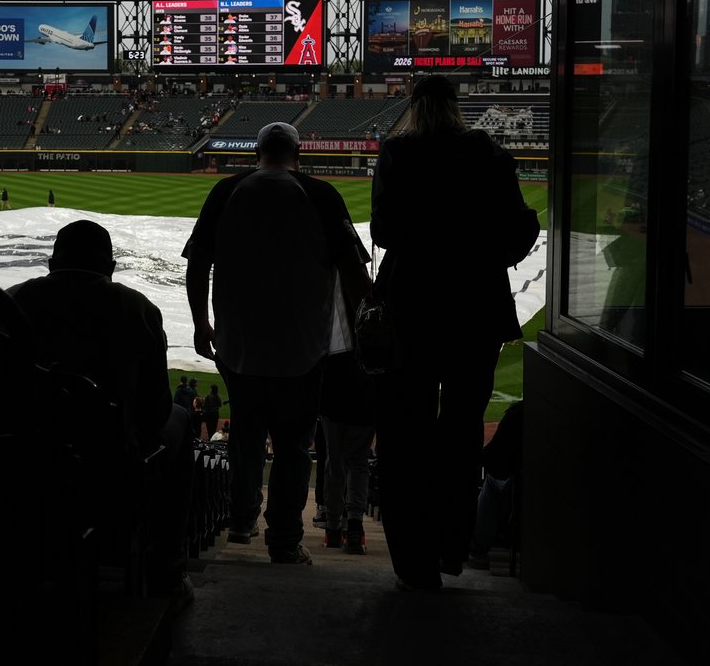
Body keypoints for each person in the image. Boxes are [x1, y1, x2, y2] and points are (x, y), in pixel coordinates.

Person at [369, 74, 537, 592]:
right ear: (456, 105)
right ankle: (450, 548)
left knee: (406, 433)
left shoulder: (398, 151)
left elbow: (383, 232)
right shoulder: (488, 153)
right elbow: (520, 227)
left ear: (416, 105)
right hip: (474, 309)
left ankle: (411, 560)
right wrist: (487, 255)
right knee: (463, 432)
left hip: (413, 307)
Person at [0, 219, 195, 611]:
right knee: (181, 418)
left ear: (50, 262)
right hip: (108, 464)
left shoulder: (9, 303)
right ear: (110, 268)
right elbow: (156, 410)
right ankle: (167, 569)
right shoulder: (137, 308)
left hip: (19, 457)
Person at [184, 121, 370, 565]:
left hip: (238, 342)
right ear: (298, 154)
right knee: (292, 445)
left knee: (246, 434)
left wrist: (199, 323)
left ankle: (243, 517)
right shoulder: (322, 194)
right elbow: (355, 272)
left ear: (257, 153)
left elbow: (197, 264)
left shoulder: (226, 191)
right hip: (304, 346)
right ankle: (284, 539)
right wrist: (366, 329)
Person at [317, 351, 376, 555]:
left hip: (334, 387)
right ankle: (354, 529)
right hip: (366, 389)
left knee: (335, 463)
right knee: (358, 463)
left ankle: (333, 529)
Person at [469, 400, 523, 570]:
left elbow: (494, 460)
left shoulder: (519, 413)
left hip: (520, 495)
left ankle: (478, 550)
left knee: (493, 479)